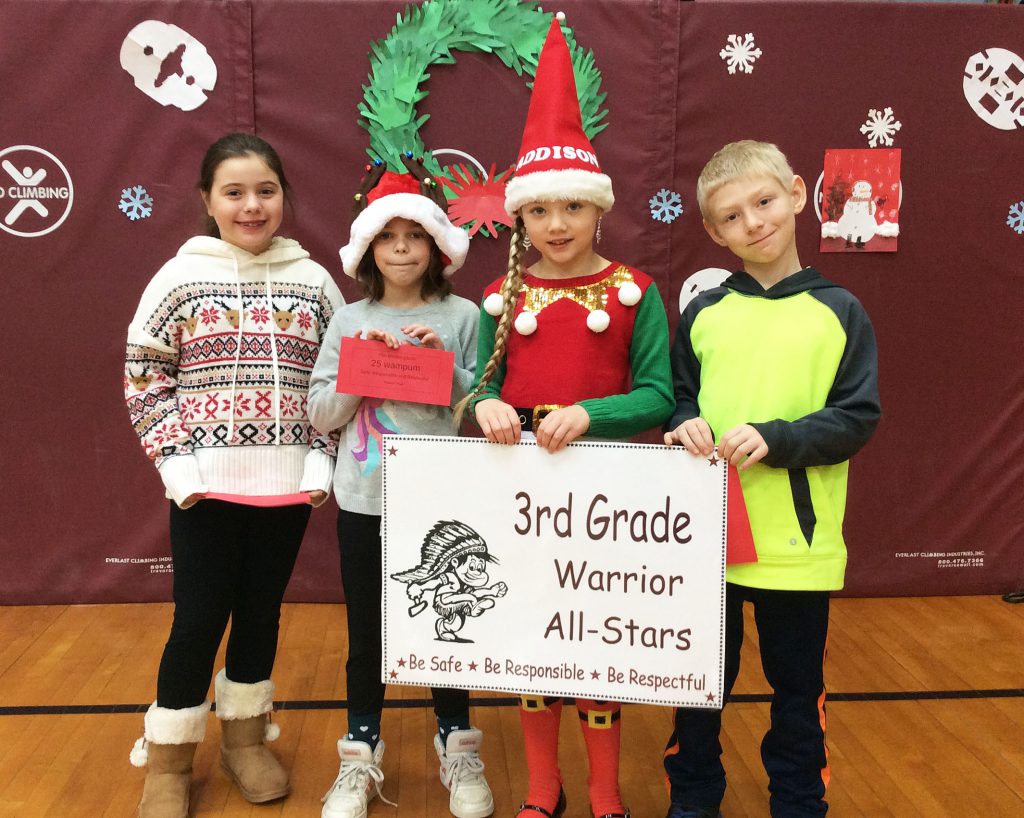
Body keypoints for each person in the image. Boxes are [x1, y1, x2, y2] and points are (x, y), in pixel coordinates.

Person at [456, 15, 673, 818]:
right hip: (522, 490)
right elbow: (476, 390)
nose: (555, 225)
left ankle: (606, 795)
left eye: (571, 209)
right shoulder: (502, 298)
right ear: (521, 218)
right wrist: (487, 411)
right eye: (539, 210)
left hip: (606, 491)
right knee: (534, 644)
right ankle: (542, 790)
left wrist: (588, 413)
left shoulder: (638, 292)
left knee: (597, 644)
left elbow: (660, 396)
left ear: (597, 212)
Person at [123, 132, 344, 818]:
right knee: (196, 621)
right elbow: (144, 378)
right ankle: (170, 758)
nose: (252, 205)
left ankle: (245, 739)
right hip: (205, 489)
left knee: (260, 615)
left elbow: (338, 383)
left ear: (284, 196)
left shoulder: (315, 282)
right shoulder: (179, 278)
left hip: (286, 489)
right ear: (208, 202)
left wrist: (319, 458)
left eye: (266, 190)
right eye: (235, 192)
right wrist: (178, 466)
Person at [662, 140, 881, 818]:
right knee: (698, 686)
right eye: (730, 216)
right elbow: (679, 397)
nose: (752, 223)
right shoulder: (704, 314)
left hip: (797, 547)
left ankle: (798, 798)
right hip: (708, 540)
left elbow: (856, 416)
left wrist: (780, 438)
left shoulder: (839, 311)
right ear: (712, 231)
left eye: (762, 202)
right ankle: (695, 796)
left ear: (794, 193)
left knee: (796, 688)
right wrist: (685, 422)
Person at [307, 154, 493, 818]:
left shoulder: (466, 316)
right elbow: (321, 413)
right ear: (369, 248)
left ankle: (458, 744)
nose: (403, 249)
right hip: (364, 499)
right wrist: (360, 375)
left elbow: (479, 408)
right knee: (369, 634)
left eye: (414, 236)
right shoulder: (348, 320)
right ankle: (360, 752)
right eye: (389, 237)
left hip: (441, 502)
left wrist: (437, 370)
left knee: (448, 623)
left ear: (438, 246)